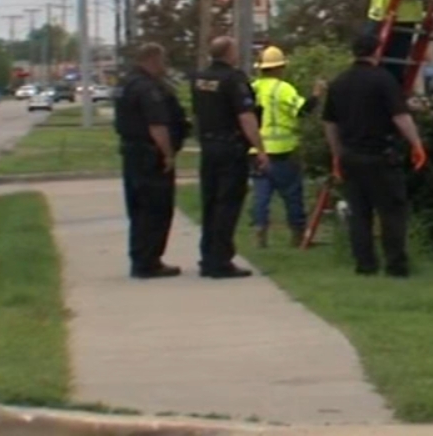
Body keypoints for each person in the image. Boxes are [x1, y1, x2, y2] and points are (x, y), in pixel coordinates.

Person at [324, 32, 429, 277]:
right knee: (391, 212)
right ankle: (396, 266)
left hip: (351, 156)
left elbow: (329, 124)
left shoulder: (339, 83)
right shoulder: (383, 80)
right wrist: (417, 144)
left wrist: (337, 155)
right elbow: (400, 117)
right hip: (380, 155)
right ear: (376, 51)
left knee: (359, 214)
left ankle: (365, 265)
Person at [190, 36, 268, 279]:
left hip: (209, 146)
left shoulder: (200, 79)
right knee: (228, 204)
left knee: (210, 203)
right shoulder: (234, 80)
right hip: (230, 148)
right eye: (235, 49)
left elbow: (197, 114)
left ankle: (207, 256)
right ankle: (220, 261)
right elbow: (246, 117)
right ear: (228, 53)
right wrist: (260, 149)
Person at [114, 43, 188, 279]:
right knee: (155, 208)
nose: (164, 66)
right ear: (153, 59)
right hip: (150, 156)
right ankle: (149, 262)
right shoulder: (148, 88)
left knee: (137, 208)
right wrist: (167, 153)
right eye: (162, 61)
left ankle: (141, 258)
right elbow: (157, 125)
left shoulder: (125, 84)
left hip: (132, 154)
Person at [249, 46, 326, 248]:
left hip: (257, 151)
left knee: (261, 194)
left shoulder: (252, 88)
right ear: (279, 68)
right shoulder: (283, 89)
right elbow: (302, 111)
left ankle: (260, 230)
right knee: (292, 194)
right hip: (283, 150)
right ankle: (297, 235)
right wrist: (317, 94)